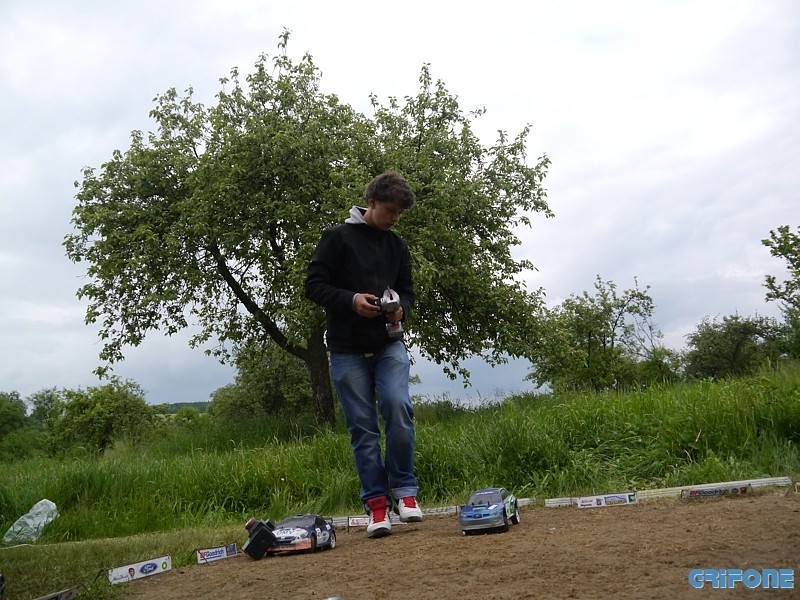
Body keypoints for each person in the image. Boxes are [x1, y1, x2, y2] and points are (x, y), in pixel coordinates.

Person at [305, 171, 422, 538]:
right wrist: (351, 300)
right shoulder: (337, 238)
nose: (395, 218)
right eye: (390, 210)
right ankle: (376, 505)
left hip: (389, 343)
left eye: (400, 213)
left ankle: (405, 493)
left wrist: (401, 308)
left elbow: (407, 292)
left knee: (398, 407)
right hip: (346, 350)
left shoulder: (397, 245)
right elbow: (313, 285)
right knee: (363, 428)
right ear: (371, 202)